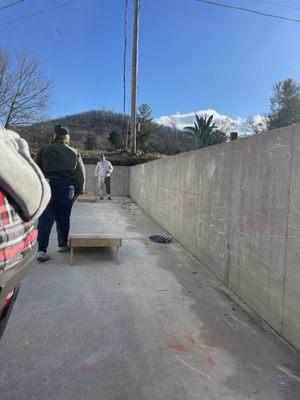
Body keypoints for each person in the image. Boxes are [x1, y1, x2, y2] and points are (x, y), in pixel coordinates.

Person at [0, 125, 50, 336]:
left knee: (50, 221)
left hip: (14, 265)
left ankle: (47, 247)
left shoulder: (46, 151)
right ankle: (55, 244)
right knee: (58, 219)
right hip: (16, 263)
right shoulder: (9, 141)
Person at [35, 124, 85, 262]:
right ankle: (62, 245)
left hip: (48, 185)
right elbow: (81, 174)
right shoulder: (74, 152)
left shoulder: (44, 150)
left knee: (45, 220)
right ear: (67, 137)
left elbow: (35, 170)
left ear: (54, 135)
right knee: (63, 218)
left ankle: (41, 251)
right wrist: (80, 190)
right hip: (67, 188)